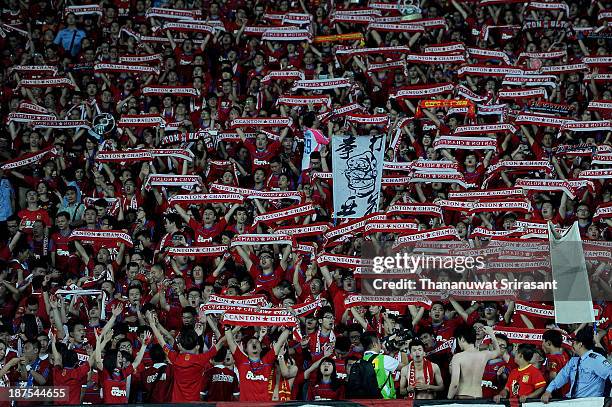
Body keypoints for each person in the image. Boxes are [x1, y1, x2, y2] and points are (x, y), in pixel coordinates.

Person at [147, 312, 224, 402]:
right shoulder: (201, 359)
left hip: (177, 403)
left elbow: (161, 341)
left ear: (179, 346)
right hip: (194, 403)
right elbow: (221, 342)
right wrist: (226, 325)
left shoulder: (175, 357)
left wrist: (152, 324)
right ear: (197, 346)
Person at [541, 328, 612, 402]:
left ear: (580, 344)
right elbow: (562, 376)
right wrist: (548, 391)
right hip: (572, 401)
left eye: (574, 342)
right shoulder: (574, 360)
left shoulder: (596, 359)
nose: (572, 344)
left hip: (589, 402)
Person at [448, 325, 501, 399]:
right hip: (478, 397)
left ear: (462, 339)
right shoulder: (484, 354)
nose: (458, 343)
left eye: (458, 340)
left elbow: (454, 384)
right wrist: (491, 334)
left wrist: (448, 399)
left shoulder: (458, 357)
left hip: (463, 397)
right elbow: (498, 351)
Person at [361, 331, 400, 399]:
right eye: (379, 342)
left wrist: (391, 354)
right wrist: (402, 349)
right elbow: (405, 366)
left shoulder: (360, 361)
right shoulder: (383, 359)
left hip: (366, 401)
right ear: (374, 344)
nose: (381, 344)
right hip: (384, 400)